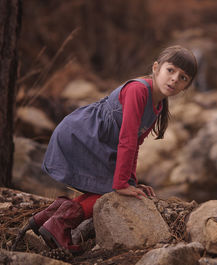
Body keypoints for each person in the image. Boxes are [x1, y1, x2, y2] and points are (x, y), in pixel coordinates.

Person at [21, 45, 198, 254]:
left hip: (94, 141)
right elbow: (127, 138)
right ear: (156, 67)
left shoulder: (157, 106)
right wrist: (122, 183)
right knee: (112, 190)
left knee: (113, 189)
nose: (175, 79)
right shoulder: (139, 90)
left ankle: (51, 215)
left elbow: (136, 144)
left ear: (186, 87)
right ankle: (59, 224)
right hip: (80, 136)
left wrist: (131, 182)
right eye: (171, 70)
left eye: (183, 77)